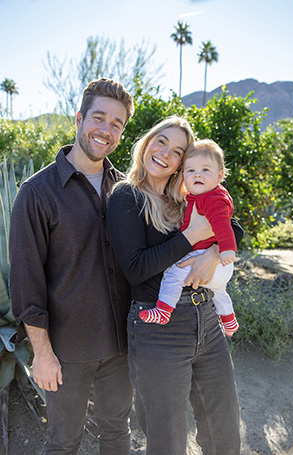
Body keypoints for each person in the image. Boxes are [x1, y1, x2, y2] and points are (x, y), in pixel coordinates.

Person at [9, 77, 135, 454]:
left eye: (117, 124)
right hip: (66, 350)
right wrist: (43, 354)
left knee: (118, 432)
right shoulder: (37, 192)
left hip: (122, 345)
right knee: (64, 442)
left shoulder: (127, 188)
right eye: (99, 118)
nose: (106, 130)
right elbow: (26, 281)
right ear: (79, 119)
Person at [107, 116, 241, 454]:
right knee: (167, 439)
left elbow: (232, 225)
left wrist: (212, 252)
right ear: (147, 142)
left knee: (223, 429)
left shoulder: (186, 193)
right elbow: (135, 269)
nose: (166, 153)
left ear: (184, 161)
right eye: (161, 141)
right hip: (158, 330)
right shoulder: (126, 196)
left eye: (178, 150)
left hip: (206, 321)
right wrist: (192, 236)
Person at [141, 138, 240, 337]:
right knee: (219, 293)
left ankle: (163, 311)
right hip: (218, 269)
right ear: (183, 174)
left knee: (173, 274)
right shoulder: (202, 196)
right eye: (191, 170)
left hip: (211, 258)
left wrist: (226, 248)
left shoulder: (212, 198)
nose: (198, 175)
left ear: (220, 175)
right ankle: (229, 322)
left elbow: (222, 223)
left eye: (205, 170)